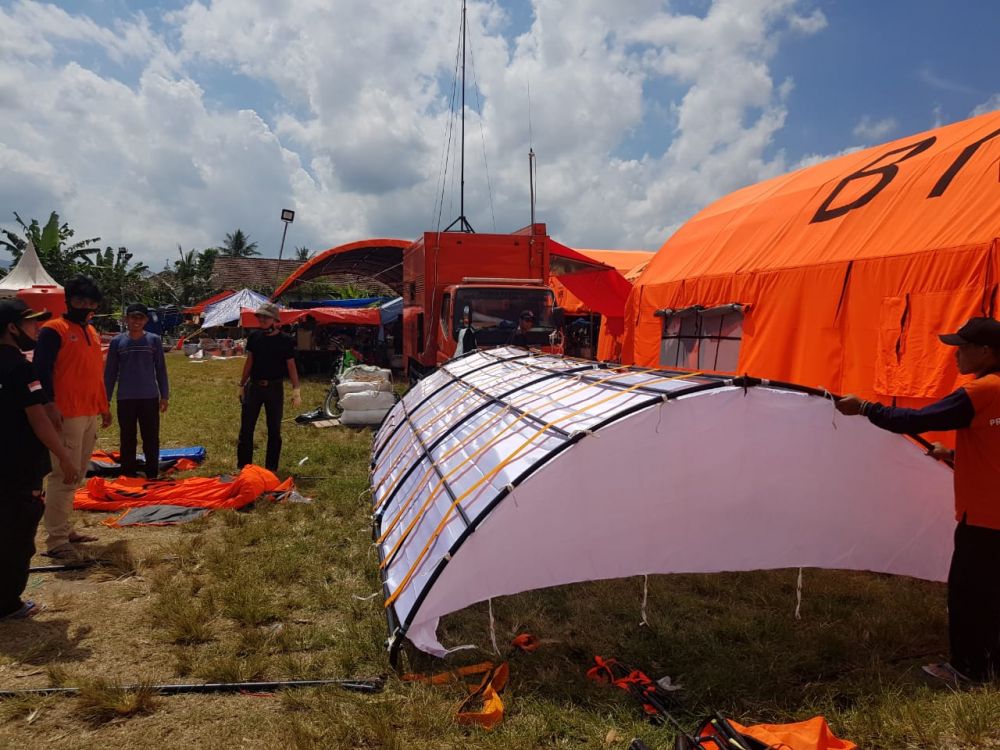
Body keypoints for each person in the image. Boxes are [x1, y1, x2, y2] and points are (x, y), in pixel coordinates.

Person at [836, 316, 1000, 685]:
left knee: (971, 595)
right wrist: (954, 456)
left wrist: (866, 408)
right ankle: (991, 663)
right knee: (993, 593)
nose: (955, 355)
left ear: (986, 352)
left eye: (962, 348)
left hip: (985, 519)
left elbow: (915, 419)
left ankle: (968, 670)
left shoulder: (981, 391)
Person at [0, 300, 80, 619]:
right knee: (18, 534)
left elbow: (39, 403)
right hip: (19, 466)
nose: (37, 328)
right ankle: (9, 603)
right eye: (31, 322)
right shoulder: (20, 366)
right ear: (12, 328)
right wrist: (65, 457)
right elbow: (38, 420)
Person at [33, 275, 110, 562]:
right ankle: (56, 540)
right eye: (80, 300)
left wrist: (104, 407)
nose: (85, 306)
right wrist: (49, 405)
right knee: (64, 475)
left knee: (77, 474)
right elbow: (41, 370)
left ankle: (65, 529)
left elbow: (94, 374)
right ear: (68, 301)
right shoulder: (53, 330)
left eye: (91, 302)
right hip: (65, 414)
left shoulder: (91, 331)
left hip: (89, 412)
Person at [104, 303, 169, 479]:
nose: (136, 321)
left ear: (146, 320)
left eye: (141, 318)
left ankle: (152, 472)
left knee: (151, 437)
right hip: (125, 398)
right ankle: (128, 473)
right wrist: (105, 399)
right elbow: (110, 373)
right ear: (126, 319)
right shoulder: (117, 342)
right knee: (127, 437)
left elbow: (161, 369)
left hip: (149, 397)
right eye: (133, 317)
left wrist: (164, 395)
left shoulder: (154, 340)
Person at [237, 302, 301, 472]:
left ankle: (271, 468)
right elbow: (249, 361)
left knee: (274, 429)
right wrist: (241, 384)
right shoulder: (254, 337)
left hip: (274, 389)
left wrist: (296, 390)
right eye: (260, 317)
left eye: (266, 317)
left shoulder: (286, 340)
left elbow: (291, 366)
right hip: (254, 387)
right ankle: (244, 467)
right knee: (246, 428)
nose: (262, 320)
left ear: (275, 319)